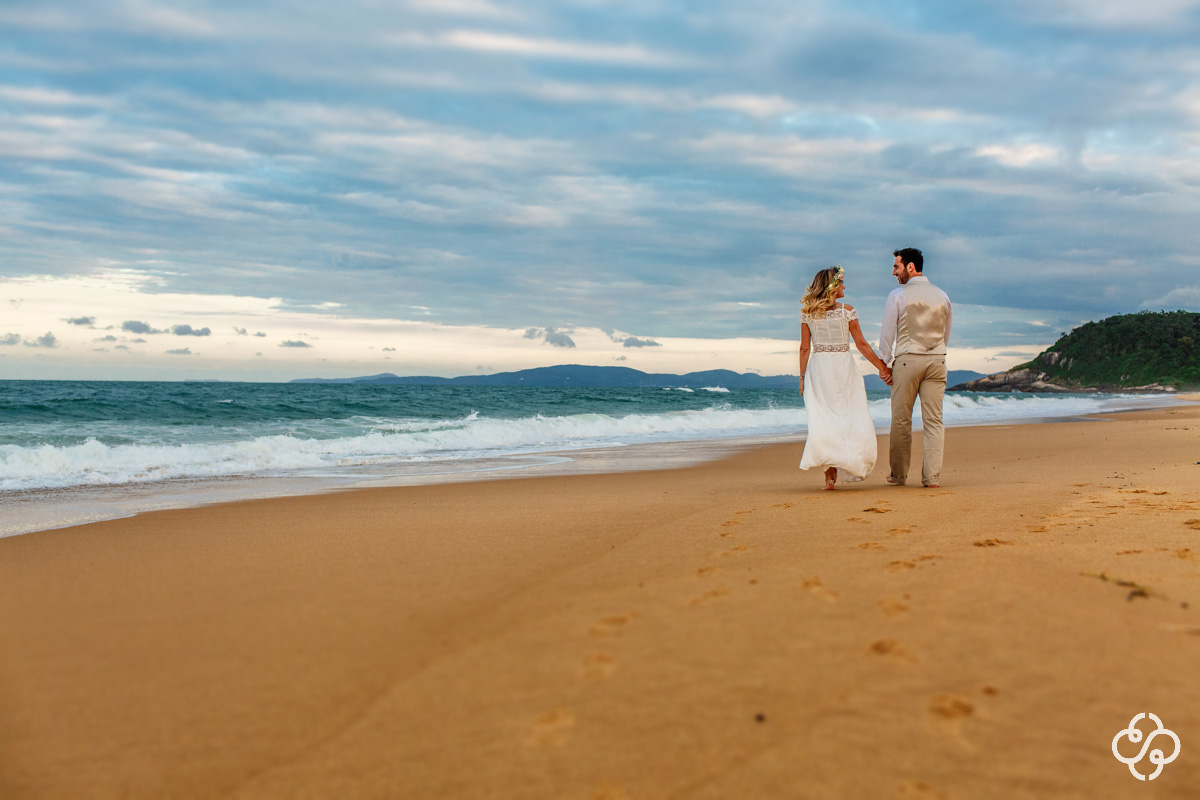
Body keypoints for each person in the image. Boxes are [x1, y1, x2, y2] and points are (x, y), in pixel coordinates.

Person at [799, 266, 893, 490]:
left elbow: (804, 349)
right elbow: (861, 344)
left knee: (823, 418)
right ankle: (849, 460)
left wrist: (802, 377)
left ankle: (830, 475)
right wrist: (883, 368)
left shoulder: (808, 313)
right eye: (841, 282)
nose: (844, 286)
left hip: (819, 369)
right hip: (843, 367)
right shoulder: (847, 311)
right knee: (849, 414)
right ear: (832, 286)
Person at [879, 247, 953, 488]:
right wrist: (936, 351)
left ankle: (899, 475)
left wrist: (884, 364)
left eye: (896, 266)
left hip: (908, 360)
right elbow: (946, 332)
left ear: (910, 267)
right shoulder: (942, 295)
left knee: (901, 419)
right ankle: (932, 478)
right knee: (934, 421)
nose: (893, 272)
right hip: (937, 360)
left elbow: (887, 333)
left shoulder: (897, 295)